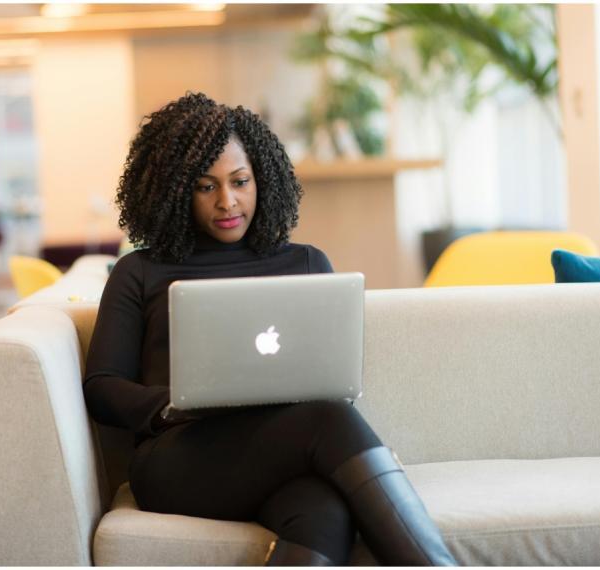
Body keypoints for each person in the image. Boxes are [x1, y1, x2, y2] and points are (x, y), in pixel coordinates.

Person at [83, 92, 457, 566]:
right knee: (329, 420)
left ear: (262, 178)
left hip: (287, 451)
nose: (227, 201)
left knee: (324, 510)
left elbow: (332, 375)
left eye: (240, 181)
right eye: (205, 186)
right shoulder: (140, 271)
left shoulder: (306, 262)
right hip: (179, 460)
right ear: (175, 190)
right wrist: (173, 405)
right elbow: (101, 387)